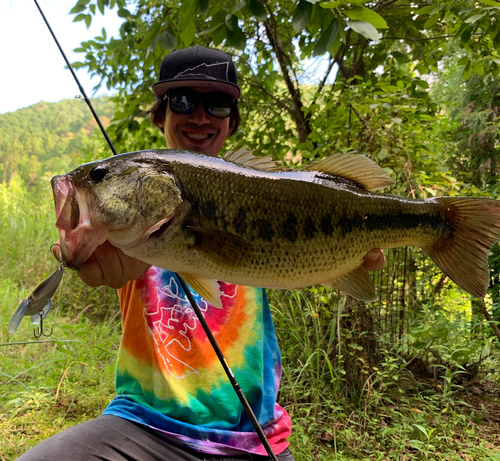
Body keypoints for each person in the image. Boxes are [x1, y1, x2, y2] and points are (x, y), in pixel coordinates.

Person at [17, 46, 385, 461]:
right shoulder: (121, 230)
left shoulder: (261, 188)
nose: (200, 115)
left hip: (254, 435)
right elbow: (108, 265)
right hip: (142, 425)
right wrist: (86, 257)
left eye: (218, 103)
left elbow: (296, 260)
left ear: (233, 120)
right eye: (183, 101)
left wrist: (346, 257)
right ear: (161, 114)